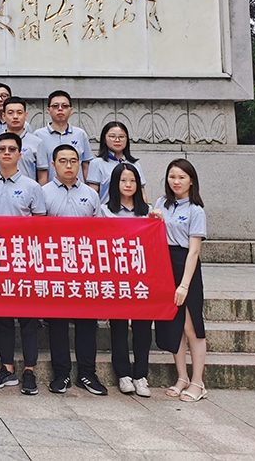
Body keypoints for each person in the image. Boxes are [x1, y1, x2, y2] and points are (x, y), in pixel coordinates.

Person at [0, 133, 46, 395]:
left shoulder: (32, 187)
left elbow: (40, 226)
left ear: (20, 154)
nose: (6, 153)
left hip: (25, 259)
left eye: (11, 149)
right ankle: (7, 368)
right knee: (2, 318)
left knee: (28, 319)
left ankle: (30, 370)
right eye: (2, 149)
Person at [42, 144, 106, 395]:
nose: (68, 165)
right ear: (53, 164)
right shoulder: (43, 192)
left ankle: (87, 373)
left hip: (84, 267)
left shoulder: (90, 194)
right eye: (63, 161)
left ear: (80, 164)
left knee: (86, 322)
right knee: (57, 322)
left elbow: (100, 231)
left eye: (73, 161)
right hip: (54, 267)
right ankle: (61, 374)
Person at [151, 159, 208, 403]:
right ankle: (182, 377)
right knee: (174, 324)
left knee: (191, 325)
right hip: (164, 265)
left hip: (186, 266)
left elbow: (194, 251)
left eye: (182, 177)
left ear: (191, 181)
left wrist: (184, 285)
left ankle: (198, 381)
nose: (176, 181)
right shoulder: (161, 204)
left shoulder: (196, 210)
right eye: (172, 176)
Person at [104, 164, 153, 398]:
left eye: (132, 181)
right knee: (119, 326)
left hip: (142, 276)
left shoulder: (148, 212)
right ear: (115, 183)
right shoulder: (105, 211)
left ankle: (141, 374)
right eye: (123, 180)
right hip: (117, 276)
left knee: (143, 327)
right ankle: (123, 373)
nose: (128, 185)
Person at [34, 90, 92, 182]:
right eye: (55, 106)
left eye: (65, 106)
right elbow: (39, 170)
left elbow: (86, 166)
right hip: (51, 188)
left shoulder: (80, 134)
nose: (60, 109)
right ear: (48, 110)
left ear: (71, 110)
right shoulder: (38, 135)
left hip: (77, 188)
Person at [86, 121, 142, 204]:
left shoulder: (135, 165)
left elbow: (142, 193)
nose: (117, 140)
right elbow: (92, 195)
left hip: (132, 211)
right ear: (104, 139)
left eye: (121, 137)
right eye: (112, 136)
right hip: (106, 210)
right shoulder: (97, 163)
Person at [2, 97, 48, 185]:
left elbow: (42, 175)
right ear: (4, 116)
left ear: (25, 115)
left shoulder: (37, 142)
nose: (15, 117)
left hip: (28, 191)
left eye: (19, 113)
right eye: (10, 113)